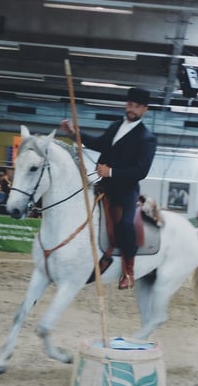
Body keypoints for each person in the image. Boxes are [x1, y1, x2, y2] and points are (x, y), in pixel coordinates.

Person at [59, 86, 157, 290]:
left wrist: (110, 171)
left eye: (137, 106)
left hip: (126, 190)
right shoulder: (114, 126)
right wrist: (74, 133)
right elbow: (99, 143)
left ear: (145, 110)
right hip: (103, 185)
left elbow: (141, 170)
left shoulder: (147, 138)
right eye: (130, 104)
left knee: (126, 225)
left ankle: (128, 272)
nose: (132, 109)